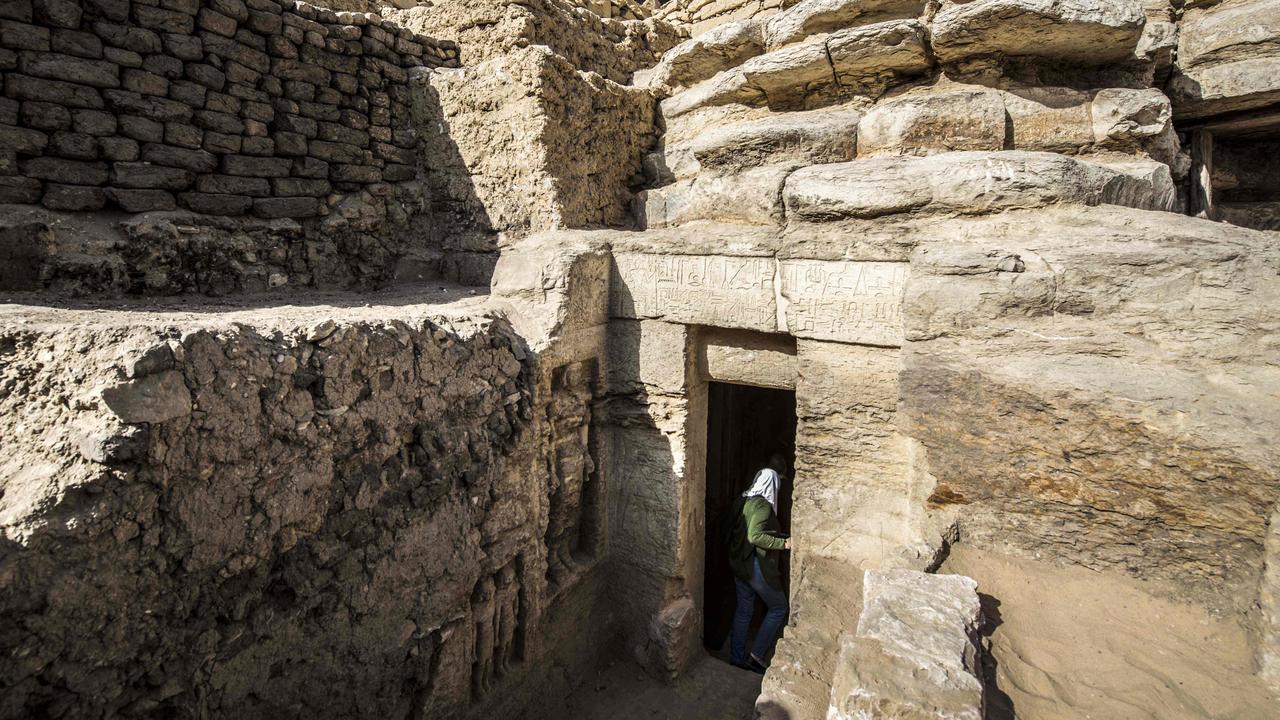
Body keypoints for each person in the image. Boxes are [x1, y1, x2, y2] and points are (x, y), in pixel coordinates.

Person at [726, 453, 791, 674]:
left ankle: (736, 658)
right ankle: (756, 656)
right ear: (773, 483)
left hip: (739, 564)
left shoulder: (743, 500)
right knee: (778, 607)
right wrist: (783, 543)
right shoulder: (763, 506)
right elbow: (755, 536)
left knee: (744, 611)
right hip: (755, 566)